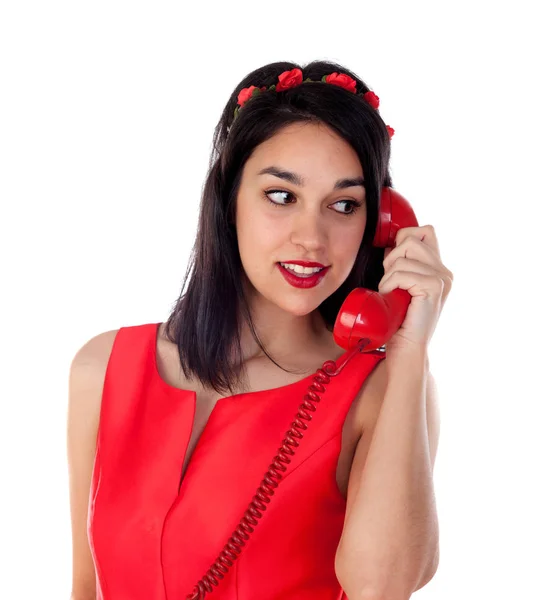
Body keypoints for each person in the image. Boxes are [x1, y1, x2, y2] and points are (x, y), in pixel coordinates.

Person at [67, 60, 453, 600]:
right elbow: (87, 587)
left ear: (380, 223)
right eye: (281, 196)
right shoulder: (103, 368)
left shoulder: (382, 390)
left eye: (344, 205)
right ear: (229, 200)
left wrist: (410, 350)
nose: (312, 238)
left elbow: (382, 587)